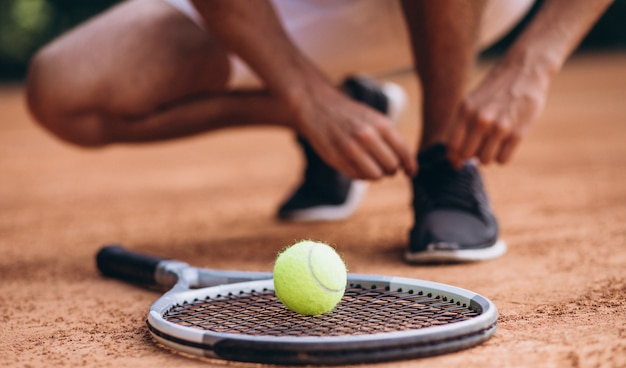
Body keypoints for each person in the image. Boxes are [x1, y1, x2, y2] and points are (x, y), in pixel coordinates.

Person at [25, 0, 613, 263]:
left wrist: (534, 60)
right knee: (65, 89)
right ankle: (349, 107)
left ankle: (443, 161)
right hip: (292, 12)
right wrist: (306, 97)